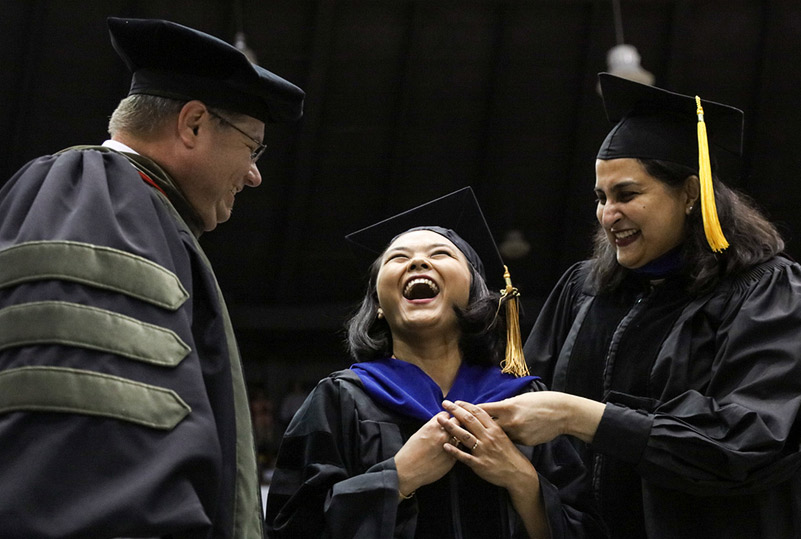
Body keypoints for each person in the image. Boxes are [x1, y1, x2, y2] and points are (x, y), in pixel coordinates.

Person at [0, 17, 304, 539]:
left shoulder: (138, 210)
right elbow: (96, 439)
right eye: (252, 147)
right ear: (193, 125)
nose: (254, 173)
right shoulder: (94, 199)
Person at [480, 73, 801, 538]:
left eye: (627, 194)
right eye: (601, 198)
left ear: (690, 195)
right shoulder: (584, 290)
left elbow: (747, 442)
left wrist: (580, 415)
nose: (608, 214)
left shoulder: (764, 292)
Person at [264, 187, 604, 538]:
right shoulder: (339, 401)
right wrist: (399, 476)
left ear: (475, 293)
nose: (417, 262)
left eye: (440, 253)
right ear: (378, 305)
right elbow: (289, 528)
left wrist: (520, 479)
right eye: (398, 258)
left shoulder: (523, 402)